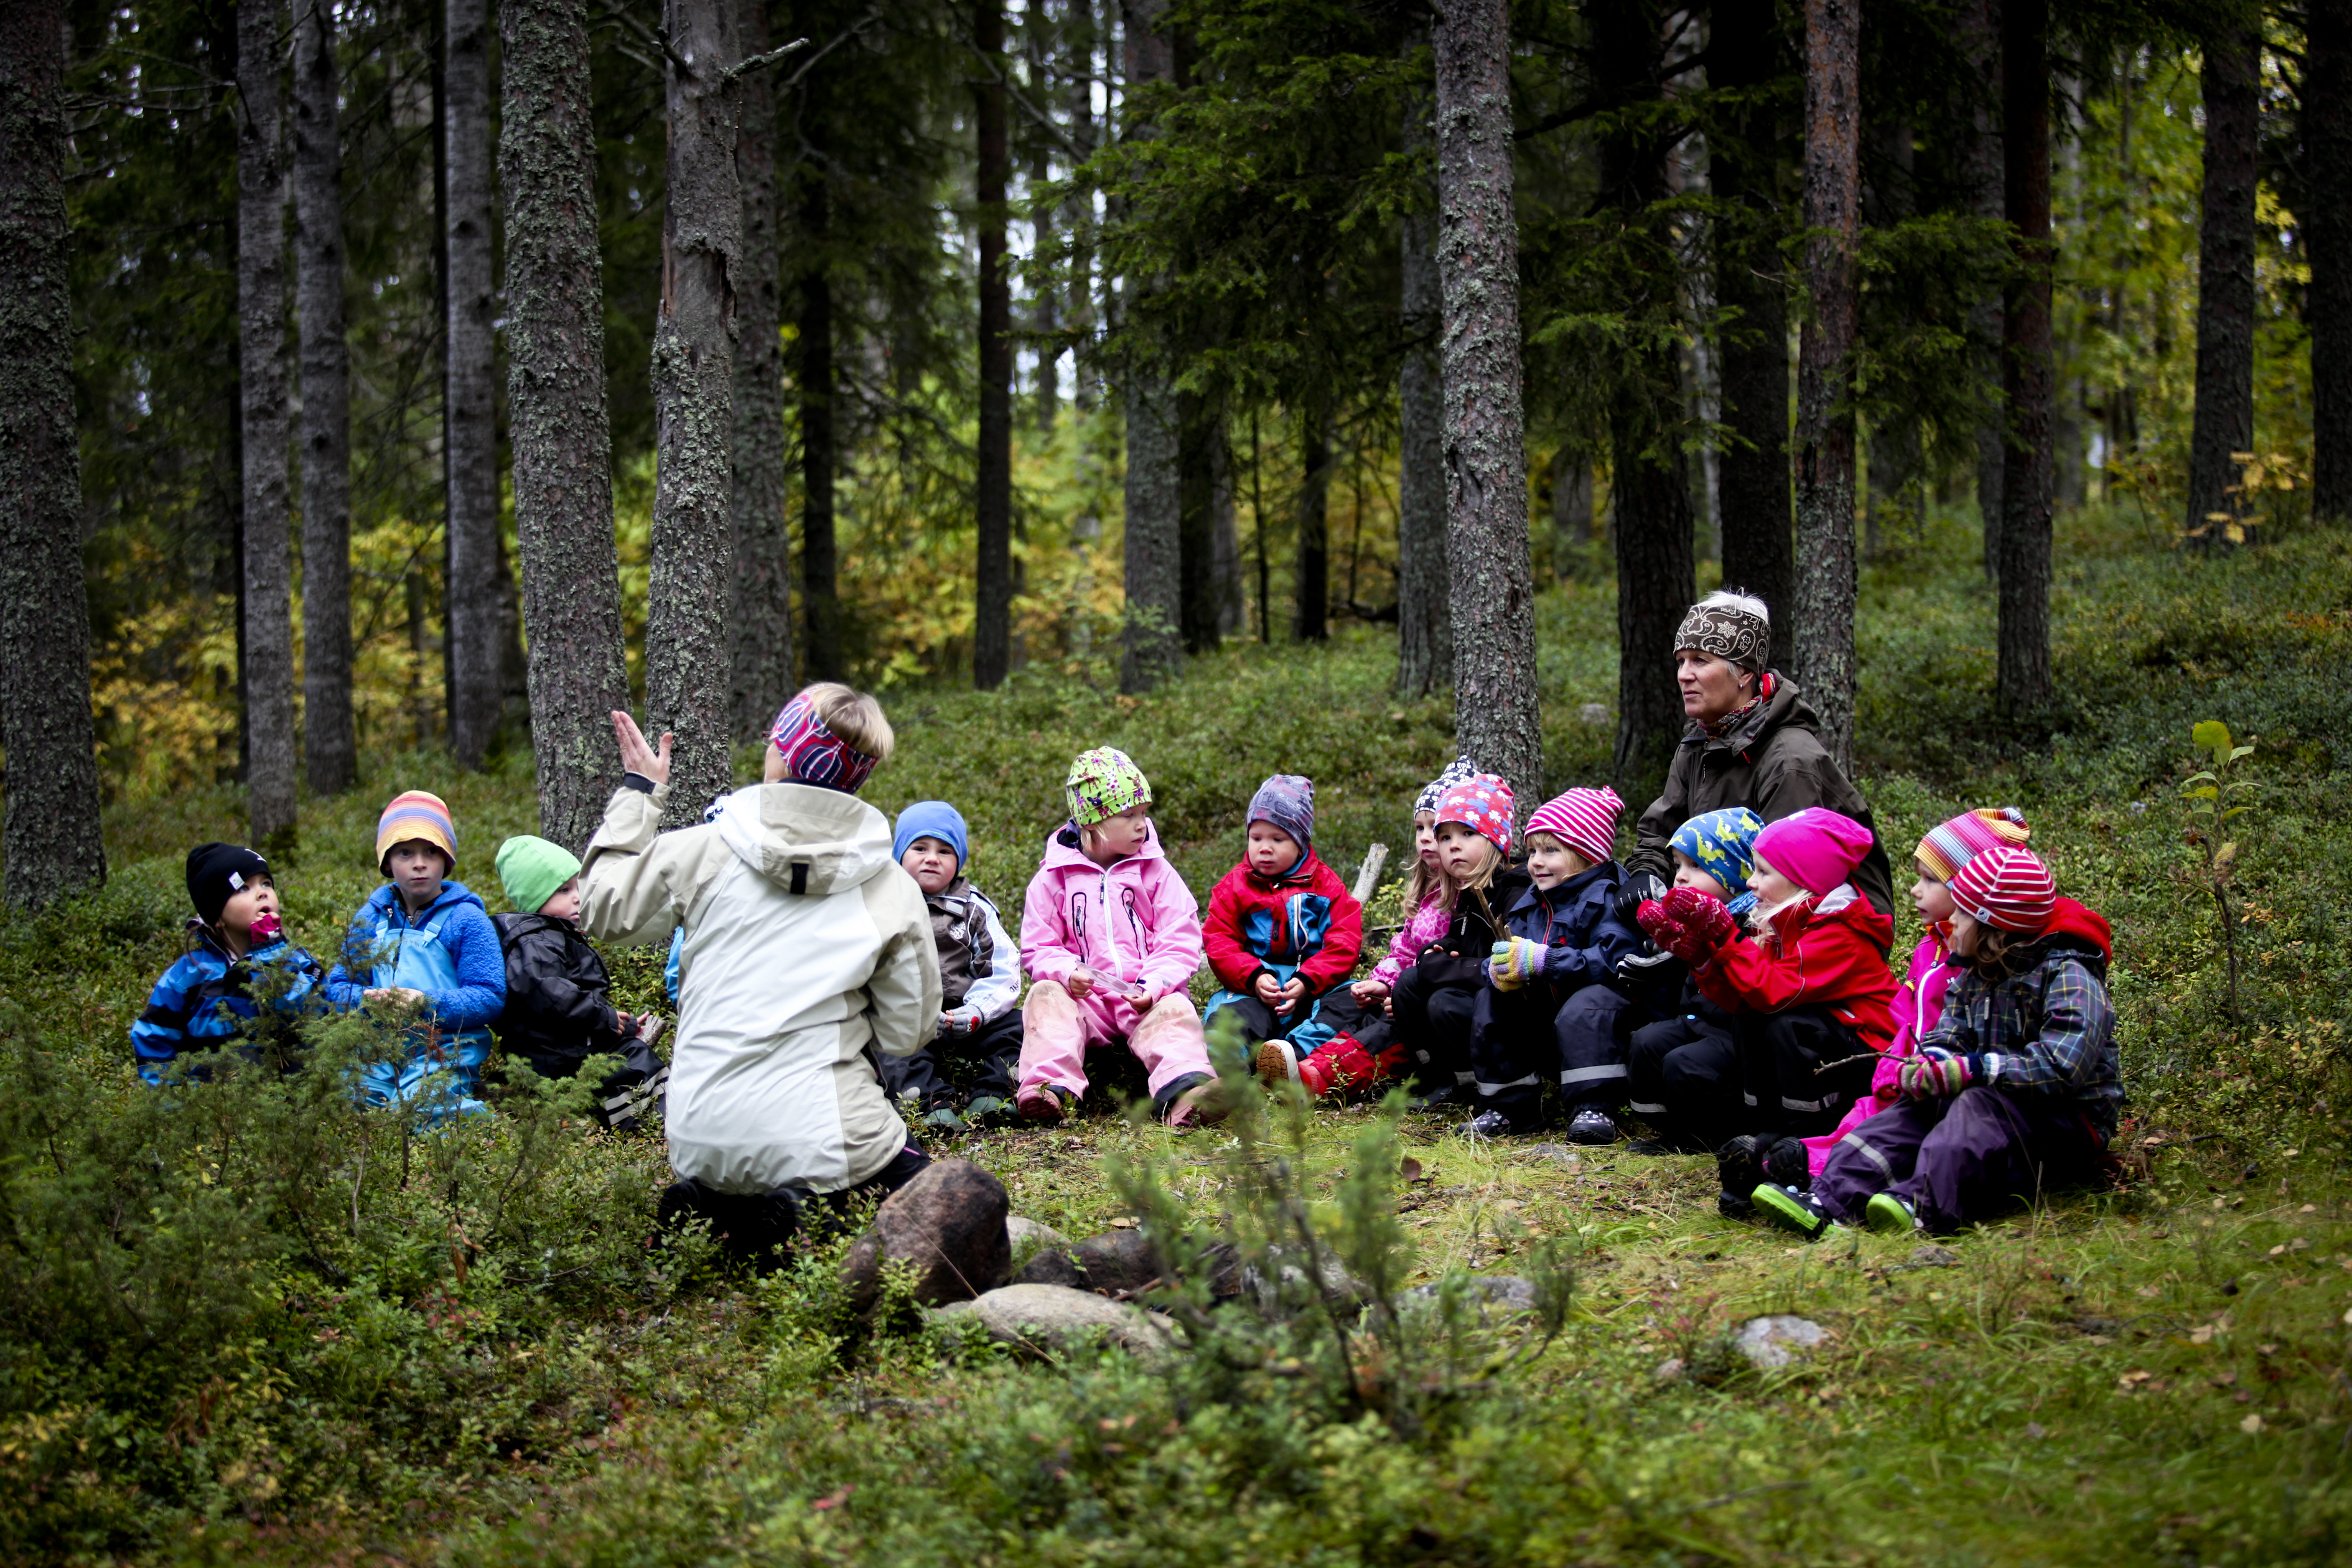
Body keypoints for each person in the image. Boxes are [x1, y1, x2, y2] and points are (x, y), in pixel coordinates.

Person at [577, 684, 940, 1264]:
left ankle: (720, 1210)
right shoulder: (891, 885)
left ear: (781, 750)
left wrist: (641, 793)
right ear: (860, 777)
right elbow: (908, 1035)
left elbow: (599, 908)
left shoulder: (701, 850)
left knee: (744, 1169)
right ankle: (799, 1217)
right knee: (926, 1187)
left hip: (697, 1132)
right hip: (830, 1134)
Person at [1753, 846, 2117, 1239]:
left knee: (1977, 1104)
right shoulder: (1974, 972)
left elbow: (2064, 1067)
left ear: (1992, 926)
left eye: (1961, 913)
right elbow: (1949, 1032)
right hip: (1994, 1103)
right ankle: (1832, 1200)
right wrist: (1933, 1064)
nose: (1952, 921)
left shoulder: (2069, 975)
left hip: (2067, 1121)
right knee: (1917, 1107)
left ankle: (1924, 1205)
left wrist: (1974, 1070)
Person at [1638, 807, 1897, 1210]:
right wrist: (1703, 958)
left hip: (1867, 1058)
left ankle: (1800, 1147)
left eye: (1763, 873)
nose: (1751, 882)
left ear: (1804, 880)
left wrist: (1724, 935)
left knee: (1786, 1024)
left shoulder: (1840, 935)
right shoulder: (1787, 926)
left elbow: (1773, 991)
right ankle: (1768, 1137)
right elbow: (1744, 999)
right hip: (1828, 1053)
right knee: (1753, 1020)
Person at [1620, 590, 1896, 923]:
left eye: (1701, 660)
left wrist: (1700, 946)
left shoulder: (1790, 761)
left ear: (1745, 673)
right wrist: (1645, 875)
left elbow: (1789, 888)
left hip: (1823, 942)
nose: (1683, 674)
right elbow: (1660, 832)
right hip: (1734, 920)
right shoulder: (1699, 742)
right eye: (1681, 661)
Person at [1793, 806, 2034, 1187]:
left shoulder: (1974, 966)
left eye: (1929, 879)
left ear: (1972, 889)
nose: (1914, 890)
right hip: (1900, 1083)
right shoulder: (1931, 949)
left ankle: (1816, 1174)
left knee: (1877, 1142)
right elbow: (1907, 1030)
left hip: (1942, 1094)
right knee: (1850, 1136)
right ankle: (1801, 1163)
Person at [1015, 747, 1223, 1126]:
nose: (1141, 825)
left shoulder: (1156, 870)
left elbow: (1180, 935)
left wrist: (1156, 983)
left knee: (1175, 1012)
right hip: (1086, 999)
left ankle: (1188, 1093)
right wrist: (1065, 972)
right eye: (1128, 816)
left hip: (1143, 997)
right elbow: (1038, 946)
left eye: (1143, 813)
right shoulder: (1052, 877)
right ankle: (1048, 1089)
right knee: (1043, 996)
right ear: (1092, 822)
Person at [1259, 758, 1465, 1100]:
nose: (1428, 839)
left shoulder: (1465, 898)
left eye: (1439, 831)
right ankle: (1294, 1055)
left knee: (1380, 1034)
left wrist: (1398, 992)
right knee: (1345, 998)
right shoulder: (1427, 891)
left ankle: (1315, 1080)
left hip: (1421, 1007)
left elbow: (1448, 964)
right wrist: (1382, 982)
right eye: (1420, 829)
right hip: (1400, 992)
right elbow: (1405, 949)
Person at [1465, 786, 1643, 1141]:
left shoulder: (1605, 897)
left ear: (1587, 855)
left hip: (1605, 1026)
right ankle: (1511, 1107)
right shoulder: (1530, 902)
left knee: (1587, 1005)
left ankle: (1594, 1107)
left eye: (1551, 850)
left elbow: (1615, 960)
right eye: (1532, 851)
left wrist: (1546, 961)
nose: (1536, 862)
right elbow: (1508, 952)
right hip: (1547, 1023)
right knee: (1492, 999)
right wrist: (1498, 970)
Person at [325, 791, 505, 1119]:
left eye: (432, 852)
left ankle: (479, 1127)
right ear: (387, 862)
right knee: (345, 1105)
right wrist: (366, 1001)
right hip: (377, 1048)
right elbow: (337, 986)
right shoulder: (370, 918)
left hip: (446, 1048)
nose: (419, 863)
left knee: (424, 1111)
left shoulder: (466, 919)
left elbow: (490, 996)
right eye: (405, 852)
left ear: (446, 860)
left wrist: (425, 1004)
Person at [490, 834, 669, 1131]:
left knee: (627, 1051)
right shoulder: (536, 943)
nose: (577, 896)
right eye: (562, 890)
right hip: (553, 1057)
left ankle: (630, 1120)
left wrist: (622, 1024)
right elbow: (554, 996)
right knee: (633, 1061)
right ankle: (645, 1125)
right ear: (534, 899)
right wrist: (605, 1018)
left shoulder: (549, 936)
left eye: (578, 886)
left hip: (560, 1047)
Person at [1620, 807, 1765, 1154]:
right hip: (1696, 1021)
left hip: (1737, 1035)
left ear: (1734, 872)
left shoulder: (1755, 923)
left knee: (1684, 1064)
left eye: (1696, 866)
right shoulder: (1692, 921)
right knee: (1646, 1043)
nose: (1680, 877)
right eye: (1678, 865)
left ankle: (1716, 1136)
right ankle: (1673, 1132)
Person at [876, 801, 1024, 1133]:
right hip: (908, 1016)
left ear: (959, 860)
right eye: (920, 848)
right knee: (886, 1045)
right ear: (899, 853)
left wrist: (977, 1013)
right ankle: (929, 1105)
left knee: (1020, 1025)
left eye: (945, 850)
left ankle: (995, 1094)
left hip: (967, 1015)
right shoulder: (882, 904)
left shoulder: (974, 908)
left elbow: (1002, 966)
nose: (932, 858)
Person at [131, 842, 327, 1083]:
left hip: (290, 1109)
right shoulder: (189, 976)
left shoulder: (298, 961)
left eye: (266, 883)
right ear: (217, 916)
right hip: (213, 1109)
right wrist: (172, 1102)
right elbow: (155, 1039)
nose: (262, 892)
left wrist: (273, 957)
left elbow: (313, 1016)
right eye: (244, 887)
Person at [1202, 774, 1363, 1066]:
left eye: (1278, 839)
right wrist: (1254, 977)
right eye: (1257, 838)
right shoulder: (1234, 887)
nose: (1265, 848)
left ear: (1301, 842)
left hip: (1314, 990)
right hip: (1254, 992)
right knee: (1231, 1019)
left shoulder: (1326, 886)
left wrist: (1308, 979)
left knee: (1353, 1002)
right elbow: (1219, 941)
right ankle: (1228, 1073)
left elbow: (1344, 941)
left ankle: (1293, 1058)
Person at [1392, 773, 1524, 1111]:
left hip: (1508, 1005)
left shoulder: (1515, 892)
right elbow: (1458, 940)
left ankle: (1474, 1084)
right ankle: (1440, 1076)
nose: (1453, 845)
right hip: (1474, 986)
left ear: (1496, 841)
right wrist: (1435, 952)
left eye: (1468, 834)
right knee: (1408, 985)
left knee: (1444, 1002)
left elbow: (1509, 965)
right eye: (1446, 836)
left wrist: (1450, 968)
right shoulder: (1466, 892)